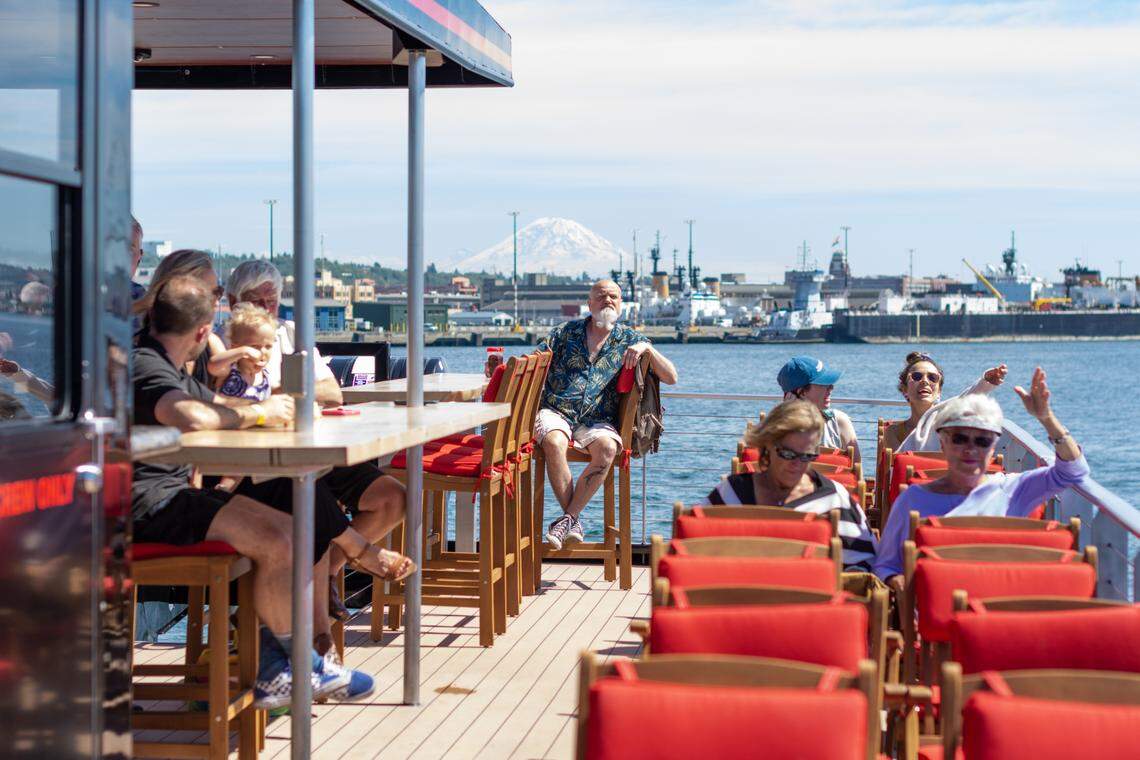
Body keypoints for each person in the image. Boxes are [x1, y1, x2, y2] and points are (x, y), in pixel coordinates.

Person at [131, 274, 376, 707]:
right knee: (277, 537)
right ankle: (294, 667)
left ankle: (279, 665)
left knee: (290, 527)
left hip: (169, 494)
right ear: (204, 331)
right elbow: (188, 414)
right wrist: (259, 414)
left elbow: (218, 405)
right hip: (147, 505)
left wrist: (264, 408)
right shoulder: (146, 364)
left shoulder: (164, 365)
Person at [224, 259, 410, 616]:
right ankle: (315, 596)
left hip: (314, 450)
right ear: (234, 301)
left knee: (392, 497)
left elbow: (332, 392)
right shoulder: (226, 343)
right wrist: (286, 393)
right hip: (259, 465)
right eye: (255, 300)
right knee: (307, 496)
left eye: (272, 300)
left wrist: (279, 390)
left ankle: (328, 572)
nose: (266, 309)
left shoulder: (292, 334)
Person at [872, 367, 1088, 586]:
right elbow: (885, 565)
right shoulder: (913, 499)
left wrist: (1047, 418)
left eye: (982, 441)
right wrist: (904, 587)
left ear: (993, 448)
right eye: (959, 439)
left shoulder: (1012, 489)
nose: (970, 449)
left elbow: (1073, 470)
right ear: (943, 443)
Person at [537, 279, 678, 548]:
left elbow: (671, 376)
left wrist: (648, 349)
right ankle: (572, 519)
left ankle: (567, 519)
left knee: (607, 449)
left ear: (621, 303)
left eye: (613, 296)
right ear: (590, 304)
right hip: (556, 410)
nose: (607, 301)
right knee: (554, 442)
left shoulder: (630, 339)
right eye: (601, 297)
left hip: (599, 419)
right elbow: (534, 361)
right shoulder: (563, 333)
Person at [702, 400, 877, 571]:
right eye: (788, 453)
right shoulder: (731, 493)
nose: (797, 464)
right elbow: (696, 551)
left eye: (807, 456)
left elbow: (864, 568)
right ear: (766, 445)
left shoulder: (835, 500)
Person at [881, 351, 1008, 453]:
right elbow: (897, 469)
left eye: (932, 378)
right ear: (905, 389)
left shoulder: (949, 426)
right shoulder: (893, 431)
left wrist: (986, 382)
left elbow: (965, 399)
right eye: (917, 376)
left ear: (939, 391)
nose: (925, 381)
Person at [776, 355, 860, 463]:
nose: (831, 388)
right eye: (824, 384)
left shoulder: (839, 421)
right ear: (802, 392)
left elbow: (857, 472)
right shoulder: (777, 428)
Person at [209, 303, 276, 401]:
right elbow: (213, 365)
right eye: (255, 347)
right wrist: (243, 352)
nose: (262, 352)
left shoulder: (264, 375)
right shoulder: (229, 370)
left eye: (268, 346)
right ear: (235, 347)